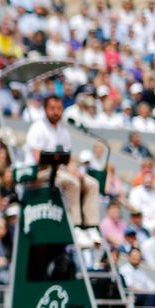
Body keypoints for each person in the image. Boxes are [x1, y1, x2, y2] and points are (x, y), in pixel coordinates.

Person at [24, 95, 101, 246]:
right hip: (38, 174)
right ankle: (76, 225)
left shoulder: (62, 130)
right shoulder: (37, 128)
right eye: (52, 108)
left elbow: (69, 159)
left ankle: (91, 226)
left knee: (91, 183)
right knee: (72, 183)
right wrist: (64, 169)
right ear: (45, 109)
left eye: (59, 109)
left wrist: (76, 172)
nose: (56, 112)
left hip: (58, 171)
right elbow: (39, 159)